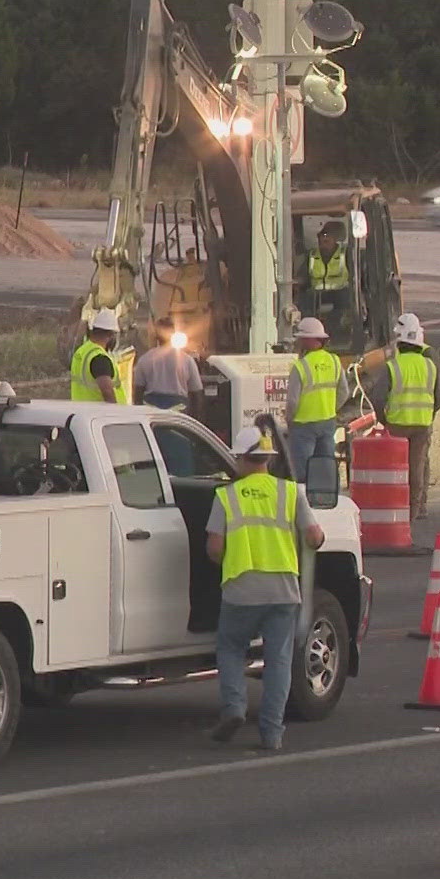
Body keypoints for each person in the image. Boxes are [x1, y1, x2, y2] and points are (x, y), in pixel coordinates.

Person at [205, 430, 325, 752]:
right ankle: (271, 733)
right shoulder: (290, 493)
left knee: (231, 648)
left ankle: (234, 709)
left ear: (243, 459)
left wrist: (225, 560)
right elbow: (314, 536)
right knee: (279, 661)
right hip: (284, 589)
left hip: (241, 588)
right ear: (268, 460)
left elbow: (214, 548)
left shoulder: (226, 496)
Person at [367, 312, 440, 519]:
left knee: (395, 469)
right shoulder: (430, 365)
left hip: (397, 424)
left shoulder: (393, 366)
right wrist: (427, 415)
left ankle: (395, 508)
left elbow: (378, 398)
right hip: (422, 424)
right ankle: (414, 510)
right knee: (417, 468)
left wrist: (384, 420)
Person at [283, 316, 346, 471]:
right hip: (327, 423)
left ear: (307, 340)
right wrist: (331, 408)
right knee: (325, 470)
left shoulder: (300, 367)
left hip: (303, 427)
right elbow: (344, 392)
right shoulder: (334, 361)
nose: (298, 343)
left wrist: (289, 421)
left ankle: (305, 496)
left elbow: (292, 402)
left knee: (303, 472)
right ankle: (326, 495)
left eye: (300, 339)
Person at [131, 317, 202, 411]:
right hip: (179, 411)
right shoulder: (187, 360)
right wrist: (196, 419)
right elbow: (196, 393)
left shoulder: (144, 360)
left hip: (151, 411)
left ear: (156, 335)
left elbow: (138, 392)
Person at [301, 222, 351, 339]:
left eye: (327, 239)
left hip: (339, 292)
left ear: (335, 239)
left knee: (344, 300)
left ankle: (336, 332)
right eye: (321, 240)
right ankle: (308, 330)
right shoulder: (312, 256)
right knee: (305, 300)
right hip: (317, 293)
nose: (324, 243)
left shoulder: (345, 255)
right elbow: (303, 276)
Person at [69, 309, 125, 403]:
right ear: (110, 334)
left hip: (81, 412)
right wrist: (115, 413)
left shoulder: (82, 351)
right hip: (100, 414)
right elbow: (107, 391)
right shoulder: (100, 358)